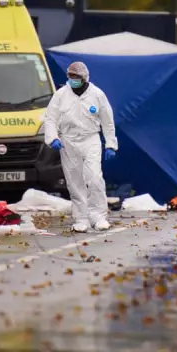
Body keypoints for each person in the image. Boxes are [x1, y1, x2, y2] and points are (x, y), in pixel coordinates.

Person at [43, 61, 118, 233]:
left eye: (76, 77)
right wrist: (52, 137)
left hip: (90, 139)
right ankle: (81, 218)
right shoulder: (61, 94)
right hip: (68, 141)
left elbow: (107, 121)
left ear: (85, 77)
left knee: (93, 177)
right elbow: (50, 118)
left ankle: (99, 216)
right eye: (71, 76)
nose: (73, 79)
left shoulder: (97, 94)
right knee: (74, 181)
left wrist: (111, 144)